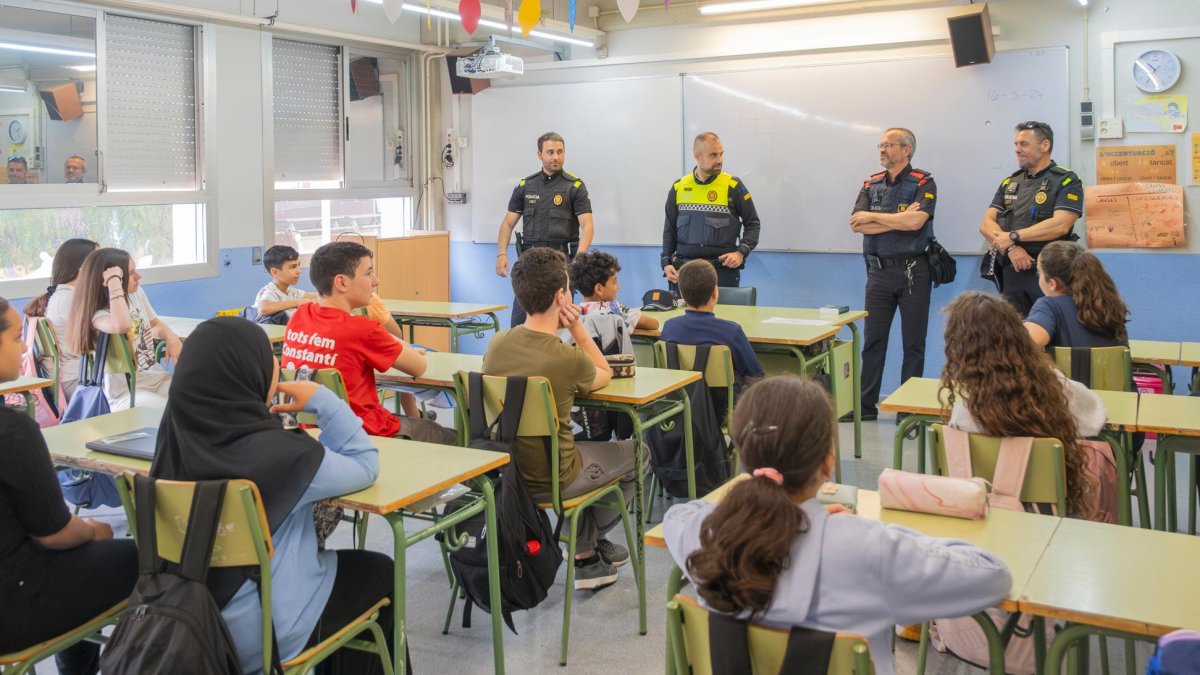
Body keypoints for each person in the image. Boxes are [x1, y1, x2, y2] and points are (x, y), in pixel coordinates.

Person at [663, 375, 1011, 675]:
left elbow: (676, 516)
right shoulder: (869, 549)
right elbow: (993, 576)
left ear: (743, 453)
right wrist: (884, 534)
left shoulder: (705, 535)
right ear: (828, 462)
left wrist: (769, 512)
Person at [149, 317, 397, 674]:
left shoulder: (172, 438)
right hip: (262, 634)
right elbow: (364, 464)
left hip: (182, 622)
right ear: (251, 374)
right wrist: (325, 401)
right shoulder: (285, 455)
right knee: (379, 571)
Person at [482, 247, 637, 591]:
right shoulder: (565, 357)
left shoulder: (496, 344)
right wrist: (580, 331)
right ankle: (583, 545)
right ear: (560, 296)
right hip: (556, 476)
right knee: (639, 455)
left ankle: (585, 544)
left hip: (505, 474)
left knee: (577, 442)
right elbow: (604, 373)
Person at [0, 295, 138, 675]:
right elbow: (55, 534)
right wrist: (95, 529)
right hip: (14, 605)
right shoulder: (12, 430)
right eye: (15, 338)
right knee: (143, 561)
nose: (23, 347)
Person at [941, 292, 1105, 516]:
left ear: (958, 348)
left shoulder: (963, 410)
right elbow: (1094, 420)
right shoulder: (1055, 387)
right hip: (1049, 518)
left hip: (982, 517)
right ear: (1018, 335)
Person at [280, 241, 455, 444]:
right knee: (450, 437)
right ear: (342, 282)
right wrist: (402, 345)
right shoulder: (361, 329)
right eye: (368, 273)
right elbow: (419, 367)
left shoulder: (299, 316)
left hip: (310, 431)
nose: (376, 281)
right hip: (364, 432)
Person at [849, 127, 937, 422]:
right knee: (873, 342)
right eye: (881, 145)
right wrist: (896, 220)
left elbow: (915, 223)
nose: (882, 150)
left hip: (914, 272)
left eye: (888, 145)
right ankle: (865, 407)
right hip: (878, 273)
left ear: (906, 150)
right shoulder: (871, 184)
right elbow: (857, 224)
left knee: (914, 344)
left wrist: (875, 217)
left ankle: (908, 410)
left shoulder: (923, 181)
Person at [979, 121, 1083, 317]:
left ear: (1045, 145)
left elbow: (1060, 225)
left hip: (1049, 271)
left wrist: (1013, 236)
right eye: (1016, 145)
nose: (1017, 150)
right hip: (1012, 269)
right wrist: (1011, 247)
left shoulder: (1066, 180)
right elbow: (986, 224)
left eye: (1024, 144)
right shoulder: (1010, 182)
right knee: (1015, 334)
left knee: (1053, 331)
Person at [495, 132, 594, 327]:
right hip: (529, 263)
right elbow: (507, 223)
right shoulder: (526, 186)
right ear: (539, 154)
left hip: (561, 262)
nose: (556, 157)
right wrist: (501, 254)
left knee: (560, 324)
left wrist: (580, 257)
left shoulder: (574, 186)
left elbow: (588, 226)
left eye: (560, 152)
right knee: (518, 324)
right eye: (550, 152)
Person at [67, 248, 181, 410]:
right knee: (172, 413)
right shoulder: (97, 315)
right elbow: (121, 325)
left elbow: (154, 325)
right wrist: (114, 281)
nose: (138, 276)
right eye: (131, 273)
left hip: (156, 379)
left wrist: (171, 336)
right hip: (126, 392)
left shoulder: (135, 292)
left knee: (197, 402)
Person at [661, 132, 761, 289]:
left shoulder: (732, 186)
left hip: (722, 273)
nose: (719, 160)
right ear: (697, 155)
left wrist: (741, 252)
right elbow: (669, 230)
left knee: (722, 314)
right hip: (684, 272)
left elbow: (753, 223)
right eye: (713, 155)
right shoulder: (678, 187)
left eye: (721, 154)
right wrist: (666, 263)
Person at [660, 259, 763, 387]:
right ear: (715, 292)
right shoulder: (731, 331)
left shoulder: (669, 327)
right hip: (725, 403)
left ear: (682, 295)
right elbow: (756, 375)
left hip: (681, 401)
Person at [23, 238, 99, 400]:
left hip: (72, 376)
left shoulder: (64, 296)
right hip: (77, 380)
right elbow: (102, 344)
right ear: (83, 268)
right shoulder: (69, 300)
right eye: (98, 261)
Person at [1024, 241, 1129, 350]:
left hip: (1068, 367)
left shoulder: (1049, 306)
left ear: (1052, 283)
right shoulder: (1110, 308)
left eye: (1039, 273)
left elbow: (1021, 345)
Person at [570, 249, 659, 333]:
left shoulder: (576, 313)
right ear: (599, 289)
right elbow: (654, 324)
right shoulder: (615, 309)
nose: (618, 286)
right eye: (614, 282)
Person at [254, 244, 316, 322]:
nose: (298, 271)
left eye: (298, 265)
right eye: (293, 267)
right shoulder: (269, 291)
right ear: (275, 272)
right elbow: (263, 309)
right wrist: (297, 303)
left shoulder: (291, 291)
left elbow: (316, 297)